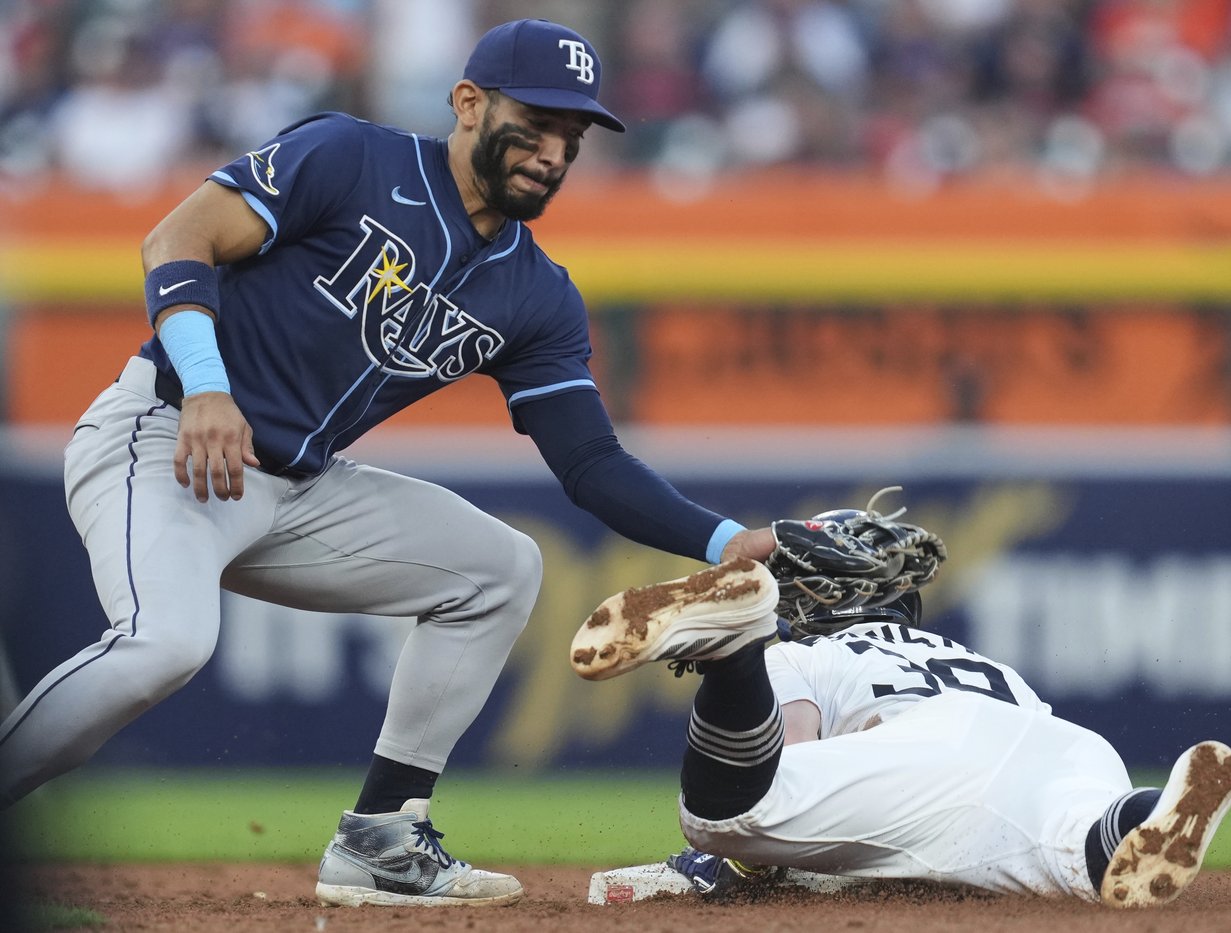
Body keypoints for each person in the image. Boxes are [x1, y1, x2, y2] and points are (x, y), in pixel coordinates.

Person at [0, 18, 776, 909]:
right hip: (167, 436)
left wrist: (725, 539)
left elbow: (591, 460)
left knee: (500, 568)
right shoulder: (349, 158)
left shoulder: (536, 292)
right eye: (539, 121)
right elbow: (178, 239)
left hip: (297, 489)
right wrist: (208, 386)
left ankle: (381, 835)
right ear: (469, 103)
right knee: (167, 643)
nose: (556, 151)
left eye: (575, 134)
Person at [572, 552, 1231, 908]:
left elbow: (789, 772)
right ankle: (1153, 806)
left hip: (924, 750)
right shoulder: (978, 660)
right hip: (1065, 741)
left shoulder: (807, 652)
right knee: (1082, 854)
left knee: (733, 817)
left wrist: (712, 863)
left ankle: (732, 649)